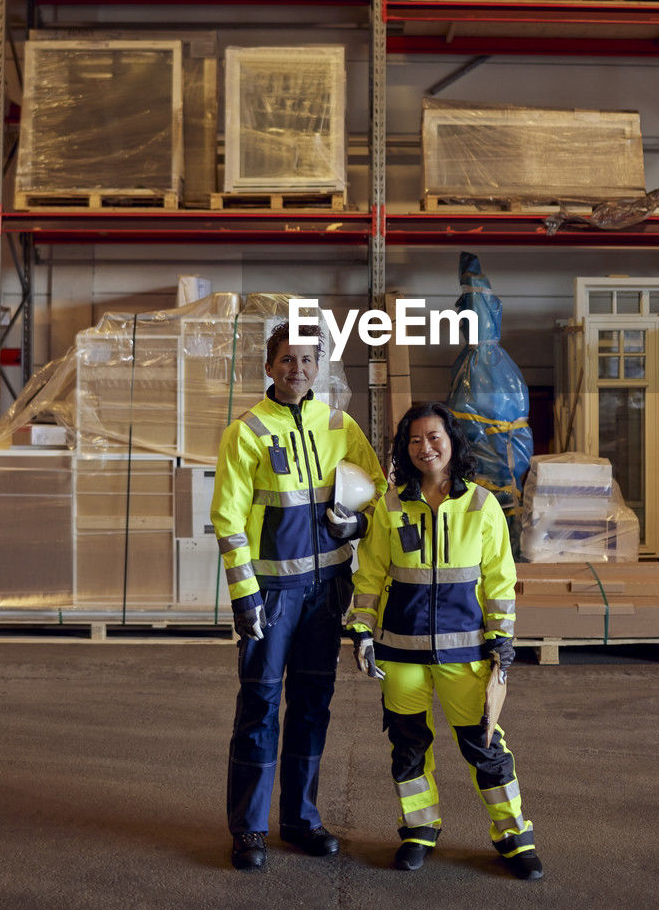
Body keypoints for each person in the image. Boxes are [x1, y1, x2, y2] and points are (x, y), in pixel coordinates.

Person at [211, 321, 387, 872]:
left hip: (326, 593)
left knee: (312, 708)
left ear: (321, 367)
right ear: (269, 367)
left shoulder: (340, 425)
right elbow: (228, 520)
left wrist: (354, 529)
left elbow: (377, 493)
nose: (298, 369)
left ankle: (301, 820)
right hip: (273, 596)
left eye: (308, 360)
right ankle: (249, 829)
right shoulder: (247, 431)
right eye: (287, 360)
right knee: (260, 707)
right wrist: (245, 597)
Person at [347, 401, 543, 880]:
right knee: (408, 746)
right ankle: (419, 830)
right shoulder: (390, 505)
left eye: (434, 437)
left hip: (466, 652)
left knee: (485, 745)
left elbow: (499, 578)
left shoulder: (481, 504)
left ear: (452, 442)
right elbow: (370, 574)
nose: (425, 447)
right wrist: (360, 630)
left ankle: (514, 836)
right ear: (403, 448)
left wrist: (502, 639)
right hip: (401, 651)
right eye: (414, 440)